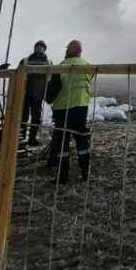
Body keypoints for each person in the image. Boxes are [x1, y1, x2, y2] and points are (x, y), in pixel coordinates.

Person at [45, 39, 91, 183]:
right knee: (82, 140)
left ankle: (62, 176)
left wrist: (46, 96)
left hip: (63, 111)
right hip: (81, 109)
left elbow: (51, 94)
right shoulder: (88, 66)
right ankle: (86, 173)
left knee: (62, 144)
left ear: (68, 51)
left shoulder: (61, 67)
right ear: (80, 52)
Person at [18, 40, 50, 148]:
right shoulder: (25, 61)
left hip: (37, 96)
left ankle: (31, 139)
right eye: (38, 46)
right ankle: (21, 139)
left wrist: (48, 95)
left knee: (35, 118)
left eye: (41, 46)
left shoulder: (48, 62)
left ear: (44, 49)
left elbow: (50, 79)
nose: (39, 48)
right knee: (24, 117)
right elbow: (18, 76)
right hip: (25, 94)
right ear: (35, 48)